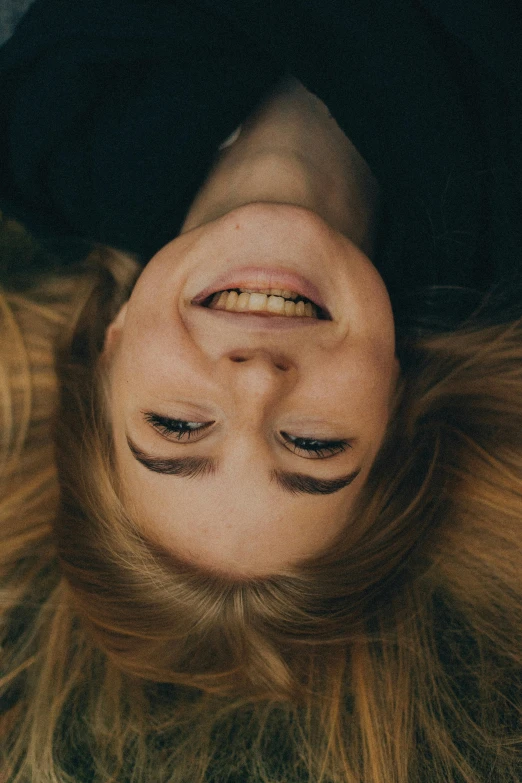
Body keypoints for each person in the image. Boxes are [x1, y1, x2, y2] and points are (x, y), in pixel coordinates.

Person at [0, 1, 521, 781]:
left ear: (109, 349)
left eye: (178, 427)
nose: (255, 382)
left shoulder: (48, 115)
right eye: (312, 444)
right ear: (396, 404)